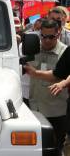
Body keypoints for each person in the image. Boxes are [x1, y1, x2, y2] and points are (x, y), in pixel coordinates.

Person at [25, 19, 68, 156]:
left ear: (58, 34)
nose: (47, 40)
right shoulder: (32, 48)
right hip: (34, 111)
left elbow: (61, 75)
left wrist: (36, 73)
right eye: (43, 36)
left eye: (51, 37)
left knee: (54, 152)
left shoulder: (65, 53)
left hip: (56, 113)